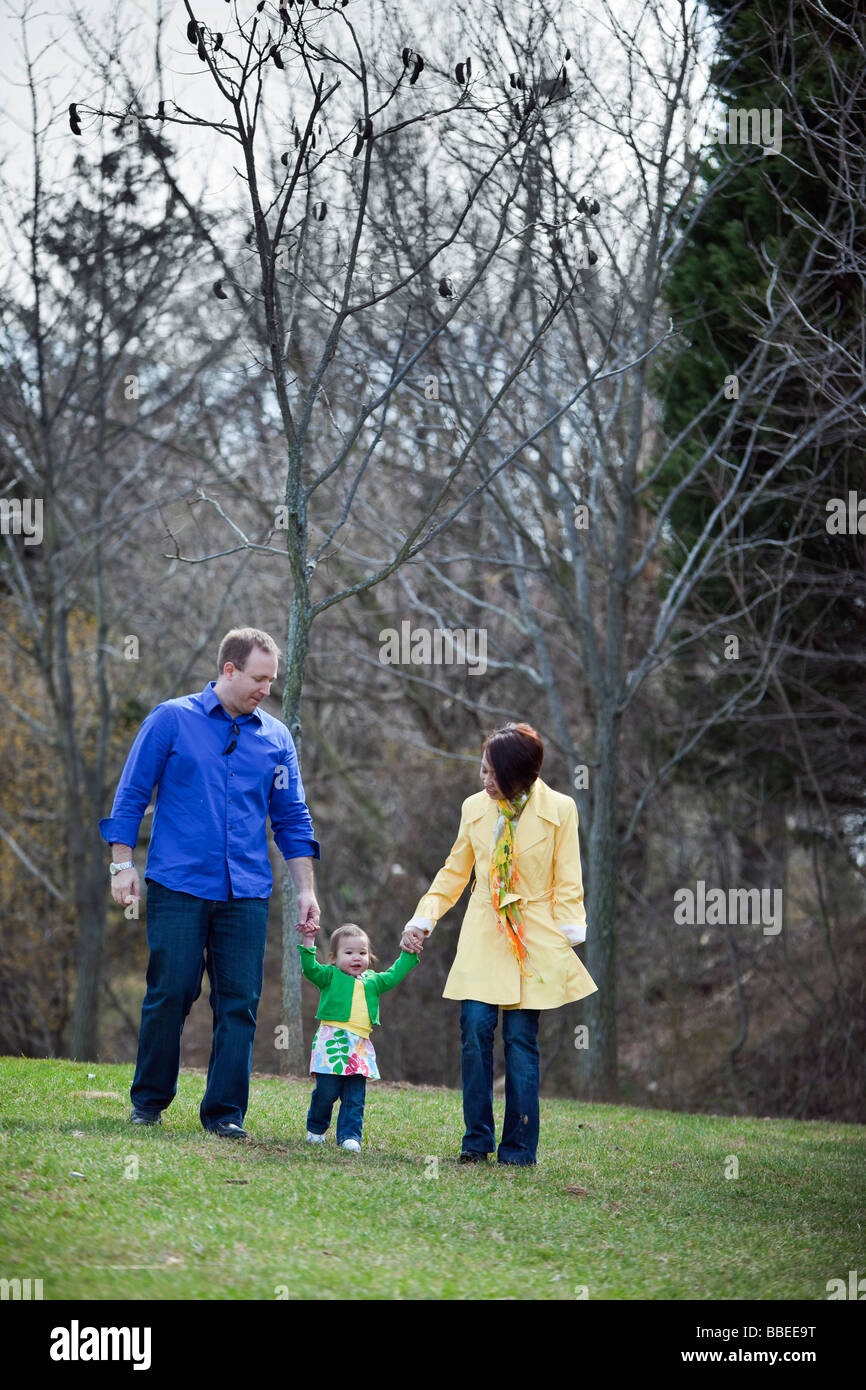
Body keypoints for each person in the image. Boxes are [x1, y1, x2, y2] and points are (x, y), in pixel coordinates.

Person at [99, 627, 320, 1139]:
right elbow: (131, 793)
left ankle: (224, 1114)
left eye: (272, 679)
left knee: (239, 1002)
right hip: (179, 883)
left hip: (246, 891)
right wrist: (121, 863)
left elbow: (292, 818)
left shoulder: (276, 738)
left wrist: (305, 888)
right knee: (171, 991)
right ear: (229, 670)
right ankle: (148, 1103)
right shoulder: (172, 720)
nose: (267, 688)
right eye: (259, 678)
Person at [400, 722, 597, 1167]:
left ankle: (518, 1150)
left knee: (521, 1041)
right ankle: (476, 1141)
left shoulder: (561, 809)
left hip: (535, 936)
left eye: (492, 773)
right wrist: (424, 919)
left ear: (518, 774)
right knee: (474, 1029)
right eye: (482, 770)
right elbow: (455, 873)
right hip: (484, 929)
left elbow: (569, 876)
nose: (484, 780)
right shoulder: (475, 808)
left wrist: (569, 930)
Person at [296, 922, 418, 1151]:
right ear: (333, 957)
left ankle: (349, 1136)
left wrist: (408, 954)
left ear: (369, 956)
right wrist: (309, 941)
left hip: (359, 1047)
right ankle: (316, 1129)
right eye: (349, 952)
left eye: (362, 953)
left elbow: (394, 975)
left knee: (355, 1096)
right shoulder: (330, 976)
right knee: (327, 1092)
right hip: (332, 1043)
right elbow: (310, 969)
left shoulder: (373, 981)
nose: (356, 958)